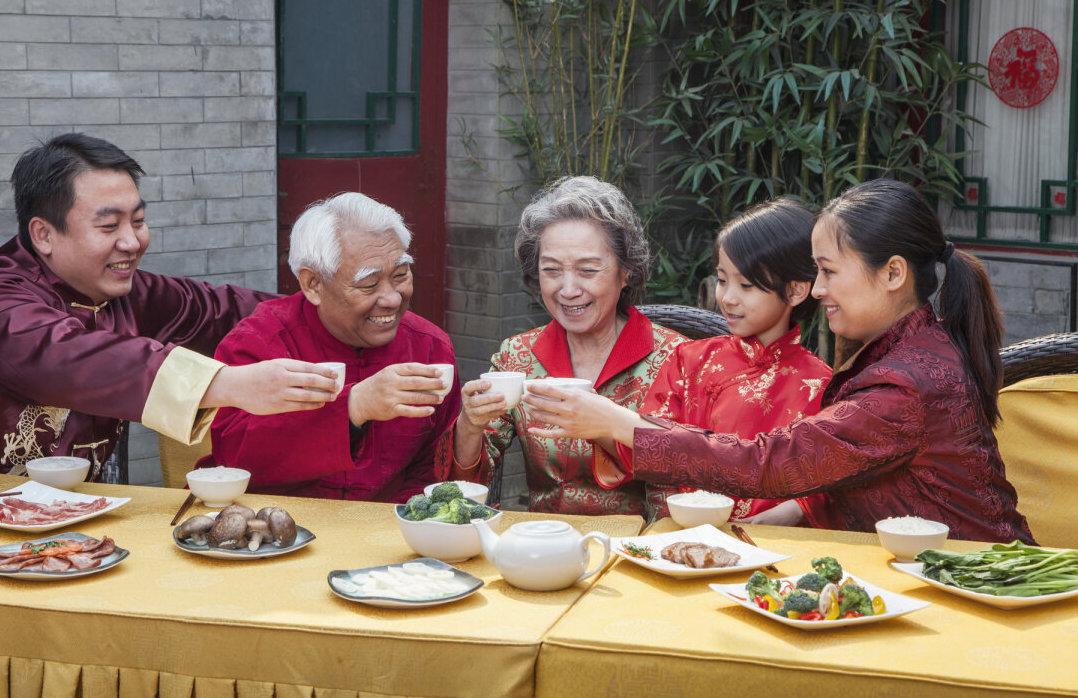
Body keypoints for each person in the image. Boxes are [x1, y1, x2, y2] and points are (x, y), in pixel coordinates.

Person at [538, 179, 1035, 543]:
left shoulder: (903, 384)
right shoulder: (909, 354)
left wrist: (623, 424)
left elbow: (770, 462)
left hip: (974, 581)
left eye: (828, 272)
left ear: (893, 274)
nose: (818, 291)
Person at [0, 133, 342, 485]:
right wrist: (231, 384)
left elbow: (229, 311)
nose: (132, 241)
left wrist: (342, 307)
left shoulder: (125, 294)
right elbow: (75, 358)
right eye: (109, 225)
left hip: (65, 529)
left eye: (138, 221)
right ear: (43, 234)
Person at [438, 176, 686, 518]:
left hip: (641, 553)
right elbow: (465, 486)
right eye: (551, 270)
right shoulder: (518, 356)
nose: (568, 290)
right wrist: (470, 423)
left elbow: (691, 478)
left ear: (626, 271)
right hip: (545, 548)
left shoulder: (678, 359)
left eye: (587, 270)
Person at [587, 199, 831, 523]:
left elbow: (827, 483)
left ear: (797, 291)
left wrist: (789, 513)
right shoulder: (689, 359)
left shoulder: (821, 384)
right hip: (689, 536)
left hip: (775, 548)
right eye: (722, 279)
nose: (727, 298)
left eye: (746, 285)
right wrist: (589, 419)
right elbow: (642, 449)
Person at [205, 192, 460, 503]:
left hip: (386, 534)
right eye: (369, 284)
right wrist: (354, 406)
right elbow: (234, 458)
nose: (392, 298)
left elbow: (432, 472)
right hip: (269, 529)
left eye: (400, 275)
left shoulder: (429, 347)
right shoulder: (260, 340)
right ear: (314, 284)